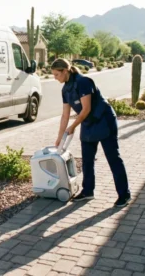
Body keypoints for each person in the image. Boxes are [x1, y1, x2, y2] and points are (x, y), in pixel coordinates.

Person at [51, 58, 131, 207]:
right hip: (88, 122)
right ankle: (88, 191)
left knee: (113, 158)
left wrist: (73, 126)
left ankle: (124, 194)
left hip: (104, 120)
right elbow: (65, 115)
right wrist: (59, 137)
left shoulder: (83, 82)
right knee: (87, 160)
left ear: (65, 71)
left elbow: (86, 108)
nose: (55, 78)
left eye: (56, 74)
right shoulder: (65, 89)